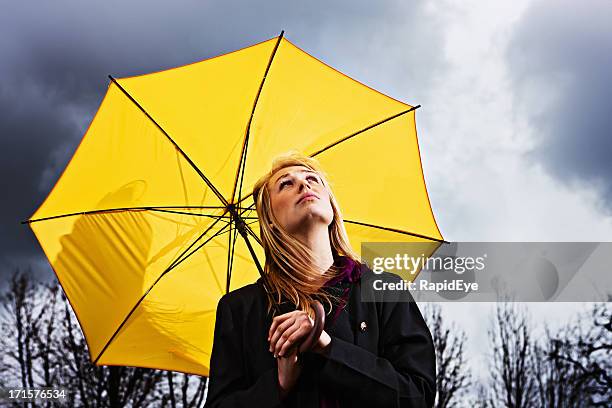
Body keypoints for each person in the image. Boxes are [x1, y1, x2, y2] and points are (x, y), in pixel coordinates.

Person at [204, 152, 435, 408]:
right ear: (269, 219)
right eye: (286, 184)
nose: (304, 185)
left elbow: (417, 397)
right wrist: (278, 384)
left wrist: (327, 347)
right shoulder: (240, 308)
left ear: (332, 207)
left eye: (313, 179)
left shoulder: (384, 289)